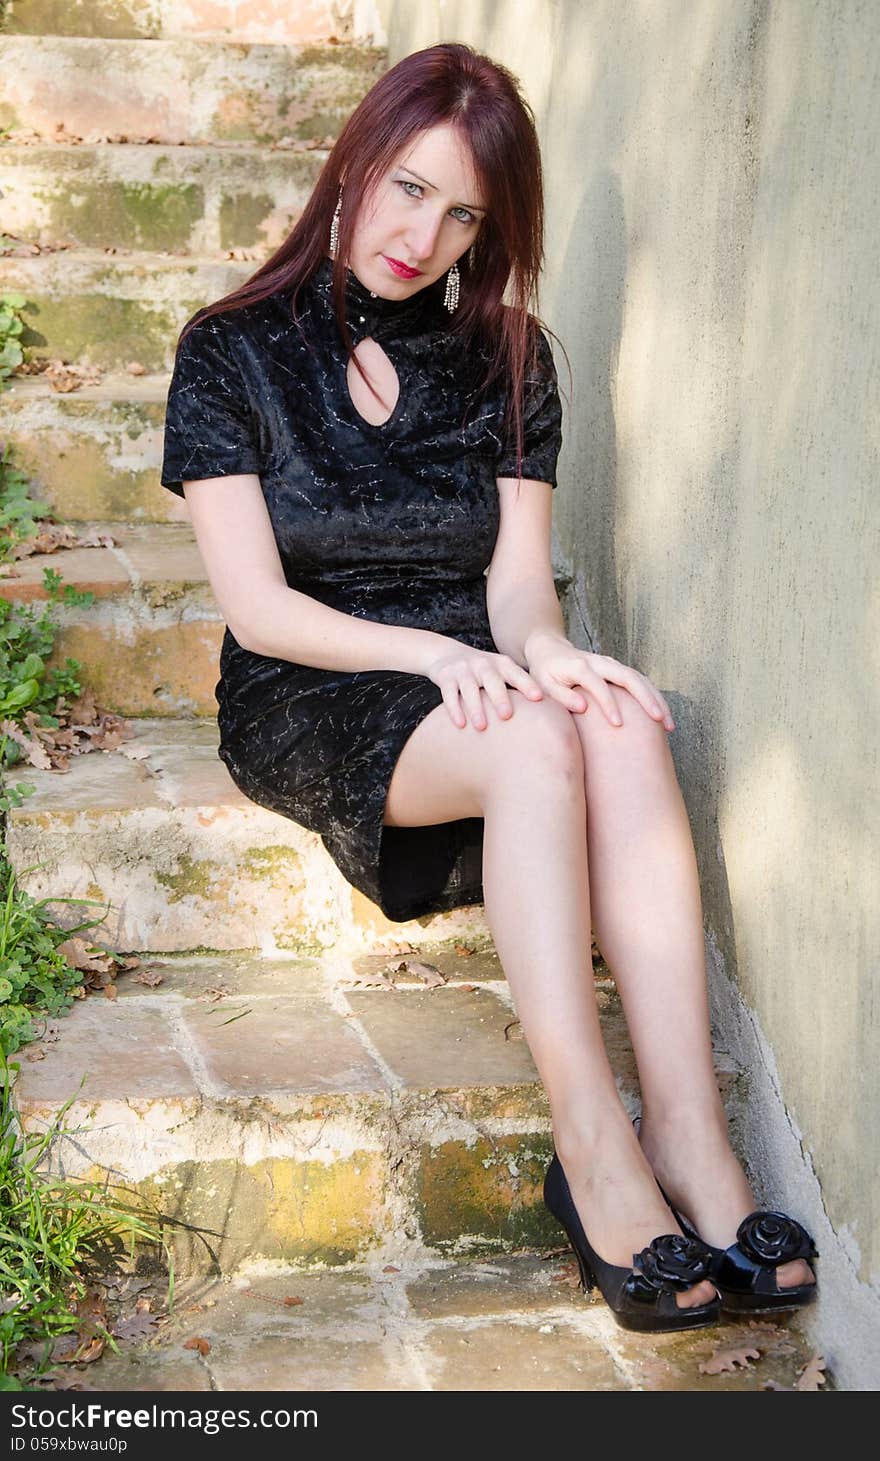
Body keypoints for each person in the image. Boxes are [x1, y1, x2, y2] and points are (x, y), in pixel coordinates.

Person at [160, 42, 818, 1333]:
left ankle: (692, 1134)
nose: (423, 234)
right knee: (529, 738)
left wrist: (555, 655)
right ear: (353, 164)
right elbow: (259, 607)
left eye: (462, 212)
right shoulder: (231, 350)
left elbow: (519, 589)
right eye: (407, 189)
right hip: (320, 680)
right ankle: (594, 1144)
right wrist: (445, 657)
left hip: (476, 673)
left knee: (616, 722)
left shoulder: (512, 354)